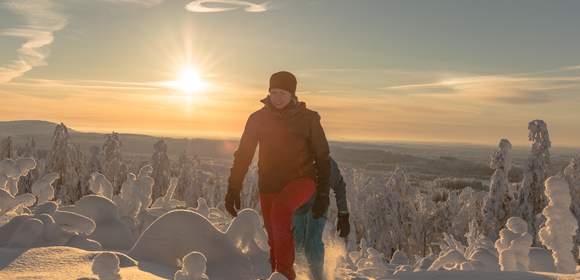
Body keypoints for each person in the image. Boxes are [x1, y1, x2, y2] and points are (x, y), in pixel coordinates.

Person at [225, 71, 331, 280]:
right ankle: (277, 274)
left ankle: (284, 274)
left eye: (283, 93)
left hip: (302, 180)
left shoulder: (308, 119)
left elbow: (322, 156)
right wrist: (233, 187)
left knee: (280, 211)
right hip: (270, 184)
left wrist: (323, 194)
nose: (278, 97)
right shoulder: (258, 119)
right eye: (273, 92)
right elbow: (244, 154)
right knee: (274, 236)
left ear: (292, 94)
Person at [293, 157, 350, 280]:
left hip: (318, 206)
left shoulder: (325, 161)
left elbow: (339, 185)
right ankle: (301, 275)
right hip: (297, 207)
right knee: (296, 245)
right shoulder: (292, 155)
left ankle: (317, 277)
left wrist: (343, 214)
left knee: (312, 244)